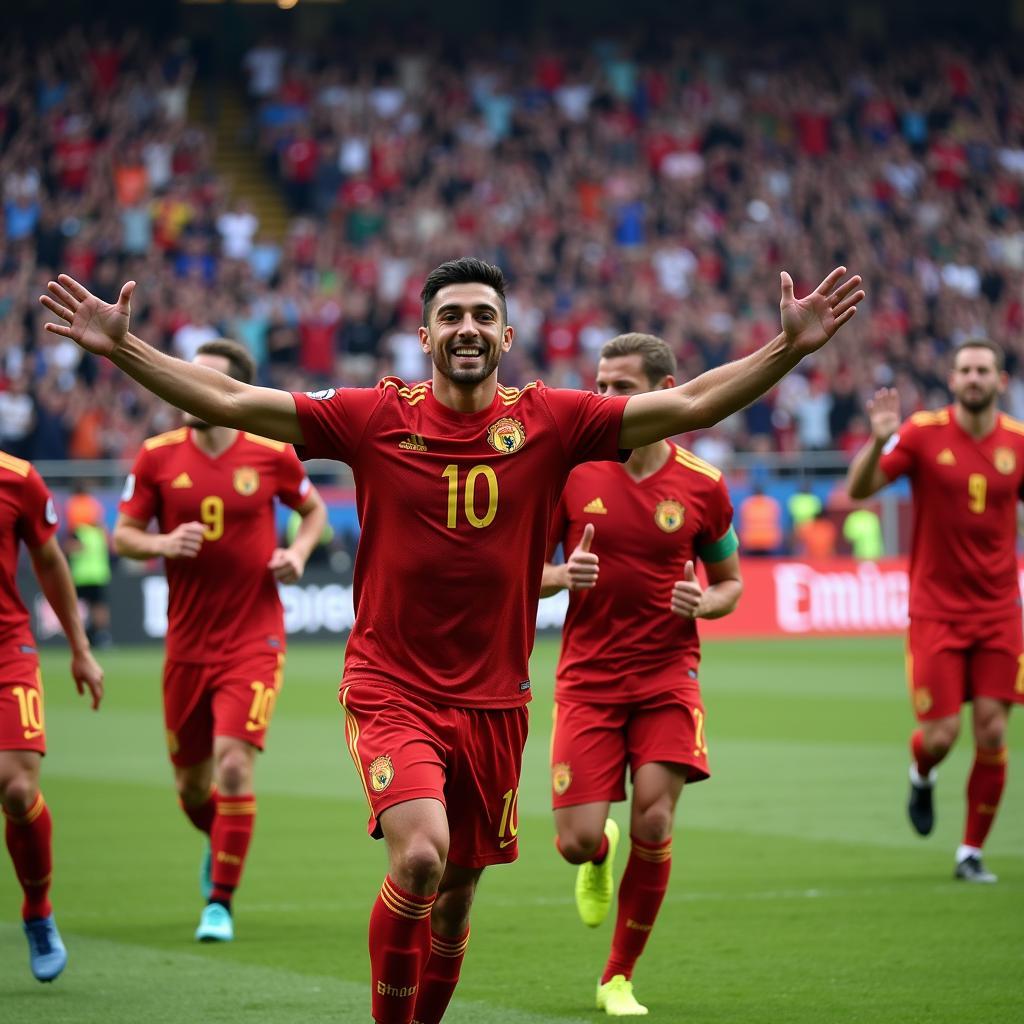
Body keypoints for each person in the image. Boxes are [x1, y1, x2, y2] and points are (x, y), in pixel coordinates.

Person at [40, 257, 862, 1023]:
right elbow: (229, 402)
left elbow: (687, 406)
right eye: (450, 316)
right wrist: (123, 349)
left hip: (497, 700)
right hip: (391, 687)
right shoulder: (373, 417)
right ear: (425, 335)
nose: (466, 328)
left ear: (505, 337)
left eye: (483, 316)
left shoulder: (554, 420)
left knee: (459, 894)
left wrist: (785, 350)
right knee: (422, 859)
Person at [540, 333, 742, 1017]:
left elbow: (731, 583)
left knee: (656, 817)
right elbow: (519, 572)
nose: (605, 400)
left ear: (662, 390)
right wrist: (564, 575)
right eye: (600, 385)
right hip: (588, 680)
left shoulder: (703, 485)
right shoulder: (568, 473)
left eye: (621, 387)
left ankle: (618, 977)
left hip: (667, 675)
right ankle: (600, 852)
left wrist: (704, 601)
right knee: (572, 843)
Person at [111, 338, 327, 942]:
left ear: (231, 394)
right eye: (187, 375)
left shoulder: (269, 454)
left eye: (207, 380)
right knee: (193, 788)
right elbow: (124, 535)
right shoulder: (155, 457)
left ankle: (220, 903)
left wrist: (298, 552)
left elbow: (312, 514)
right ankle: (221, 839)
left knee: (235, 767)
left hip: (254, 638)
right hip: (186, 646)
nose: (189, 386)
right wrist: (159, 544)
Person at [847, 339, 1023, 883]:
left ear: (999, 381)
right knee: (943, 735)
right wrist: (878, 443)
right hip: (935, 611)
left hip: (1000, 610)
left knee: (992, 732)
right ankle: (921, 773)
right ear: (952, 379)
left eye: (983, 370)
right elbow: (859, 489)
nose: (973, 378)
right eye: (965, 370)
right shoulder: (923, 433)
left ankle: (970, 851)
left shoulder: (1018, 442)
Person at [1, 450, 104, 982]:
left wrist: (80, 647)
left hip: (6, 650)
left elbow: (48, 561)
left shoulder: (17, 479)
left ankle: (37, 910)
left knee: (17, 788)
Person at [63, 483, 113, 648]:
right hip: (98, 574)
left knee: (77, 607)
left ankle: (80, 637)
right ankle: (102, 636)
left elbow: (68, 549)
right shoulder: (100, 532)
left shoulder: (78, 531)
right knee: (98, 605)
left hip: (81, 575)